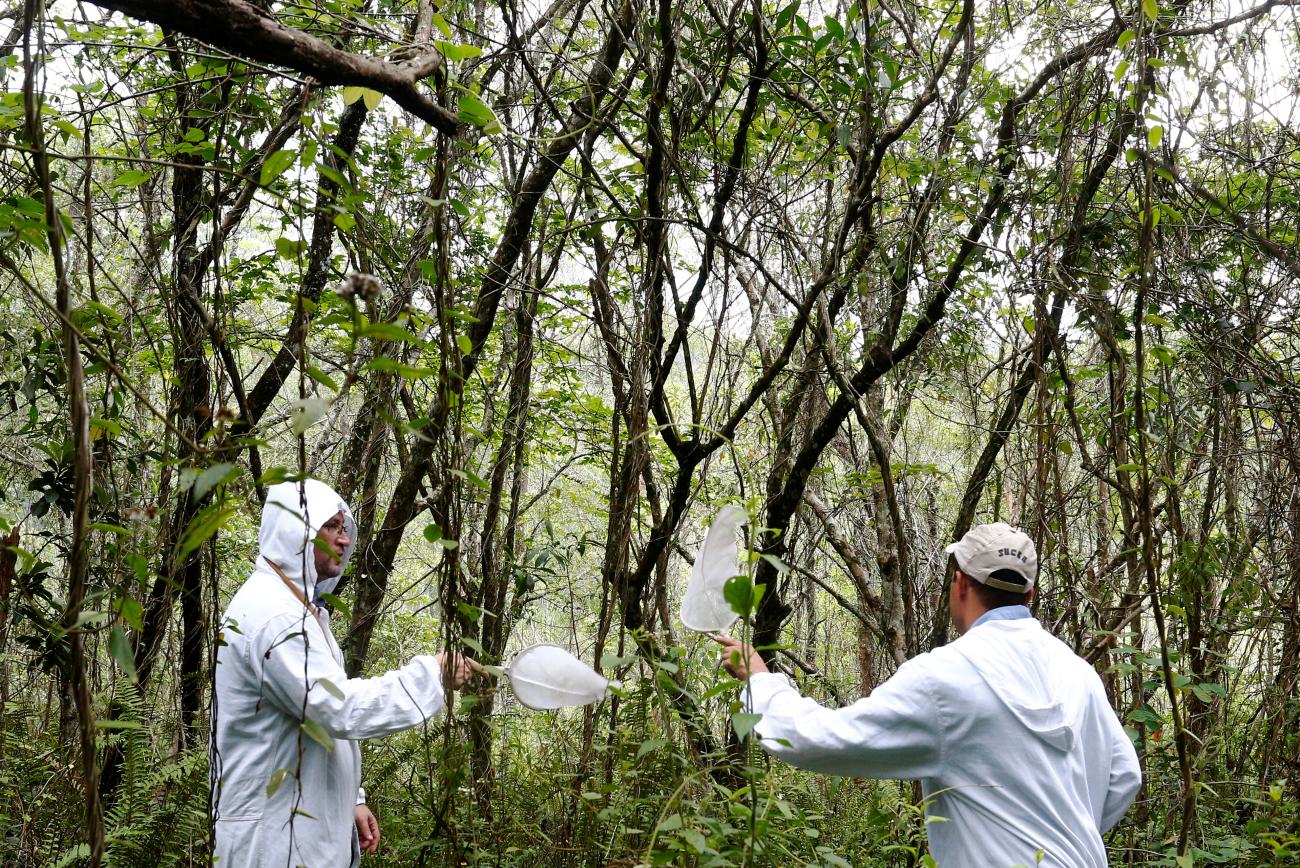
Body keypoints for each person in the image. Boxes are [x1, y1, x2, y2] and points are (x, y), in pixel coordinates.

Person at [716, 522, 1141, 867]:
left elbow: (823, 739)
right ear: (1029, 595)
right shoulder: (1078, 673)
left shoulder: (945, 677)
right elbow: (1124, 775)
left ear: (959, 584)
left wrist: (761, 682)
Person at [211, 478, 477, 867]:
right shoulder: (276, 618)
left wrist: (352, 797)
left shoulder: (301, 610)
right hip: (273, 839)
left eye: (343, 527)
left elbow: (314, 714)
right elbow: (339, 709)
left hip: (301, 826)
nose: (344, 540)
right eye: (331, 527)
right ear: (295, 531)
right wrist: (429, 674)